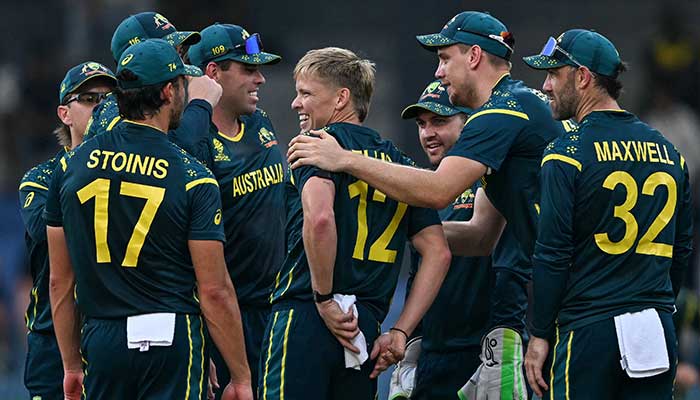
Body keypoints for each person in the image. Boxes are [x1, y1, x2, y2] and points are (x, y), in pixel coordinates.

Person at [287, 11, 568, 398]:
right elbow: (480, 236)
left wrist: (345, 160)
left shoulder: (502, 111)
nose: (438, 72)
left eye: (444, 58)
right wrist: (410, 231)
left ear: (473, 56)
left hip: (581, 283)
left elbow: (438, 191)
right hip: (577, 279)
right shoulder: (515, 108)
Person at [44, 39, 252, 400]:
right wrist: (241, 376)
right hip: (172, 338)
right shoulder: (194, 176)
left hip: (103, 340)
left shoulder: (69, 169)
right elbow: (215, 291)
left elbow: (60, 282)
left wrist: (72, 366)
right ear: (169, 91)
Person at [260, 47, 451, 400]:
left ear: (340, 98)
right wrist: (400, 332)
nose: (295, 104)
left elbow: (319, 219)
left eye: (305, 93)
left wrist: (323, 297)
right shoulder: (399, 165)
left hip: (308, 314)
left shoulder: (317, 145)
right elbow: (438, 252)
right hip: (364, 329)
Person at [522, 29, 693, 399]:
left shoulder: (565, 152)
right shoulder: (671, 153)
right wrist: (654, 302)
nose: (546, 86)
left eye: (554, 74)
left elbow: (551, 255)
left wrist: (538, 333)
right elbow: (681, 252)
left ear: (582, 77)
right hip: (655, 329)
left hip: (589, 330)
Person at [185, 23, 284, 400]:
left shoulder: (260, 123)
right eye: (247, 69)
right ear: (212, 74)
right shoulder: (195, 142)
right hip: (226, 316)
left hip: (275, 308)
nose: (260, 78)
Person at [389, 80, 500, 400]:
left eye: (440, 121)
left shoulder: (493, 181)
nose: (427, 133)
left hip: (484, 353)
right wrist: (410, 344)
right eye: (421, 124)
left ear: (470, 123)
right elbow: (417, 273)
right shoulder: (424, 190)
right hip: (433, 354)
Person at [19, 61, 116, 400]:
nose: (102, 108)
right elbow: (46, 233)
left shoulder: (132, 174)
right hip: (52, 341)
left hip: (110, 332)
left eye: (110, 99)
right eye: (90, 99)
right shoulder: (40, 178)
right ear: (65, 113)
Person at [84, 11, 221, 142]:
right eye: (170, 52)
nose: (178, 62)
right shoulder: (113, 109)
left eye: (179, 52)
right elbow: (164, 150)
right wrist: (201, 104)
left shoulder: (168, 103)